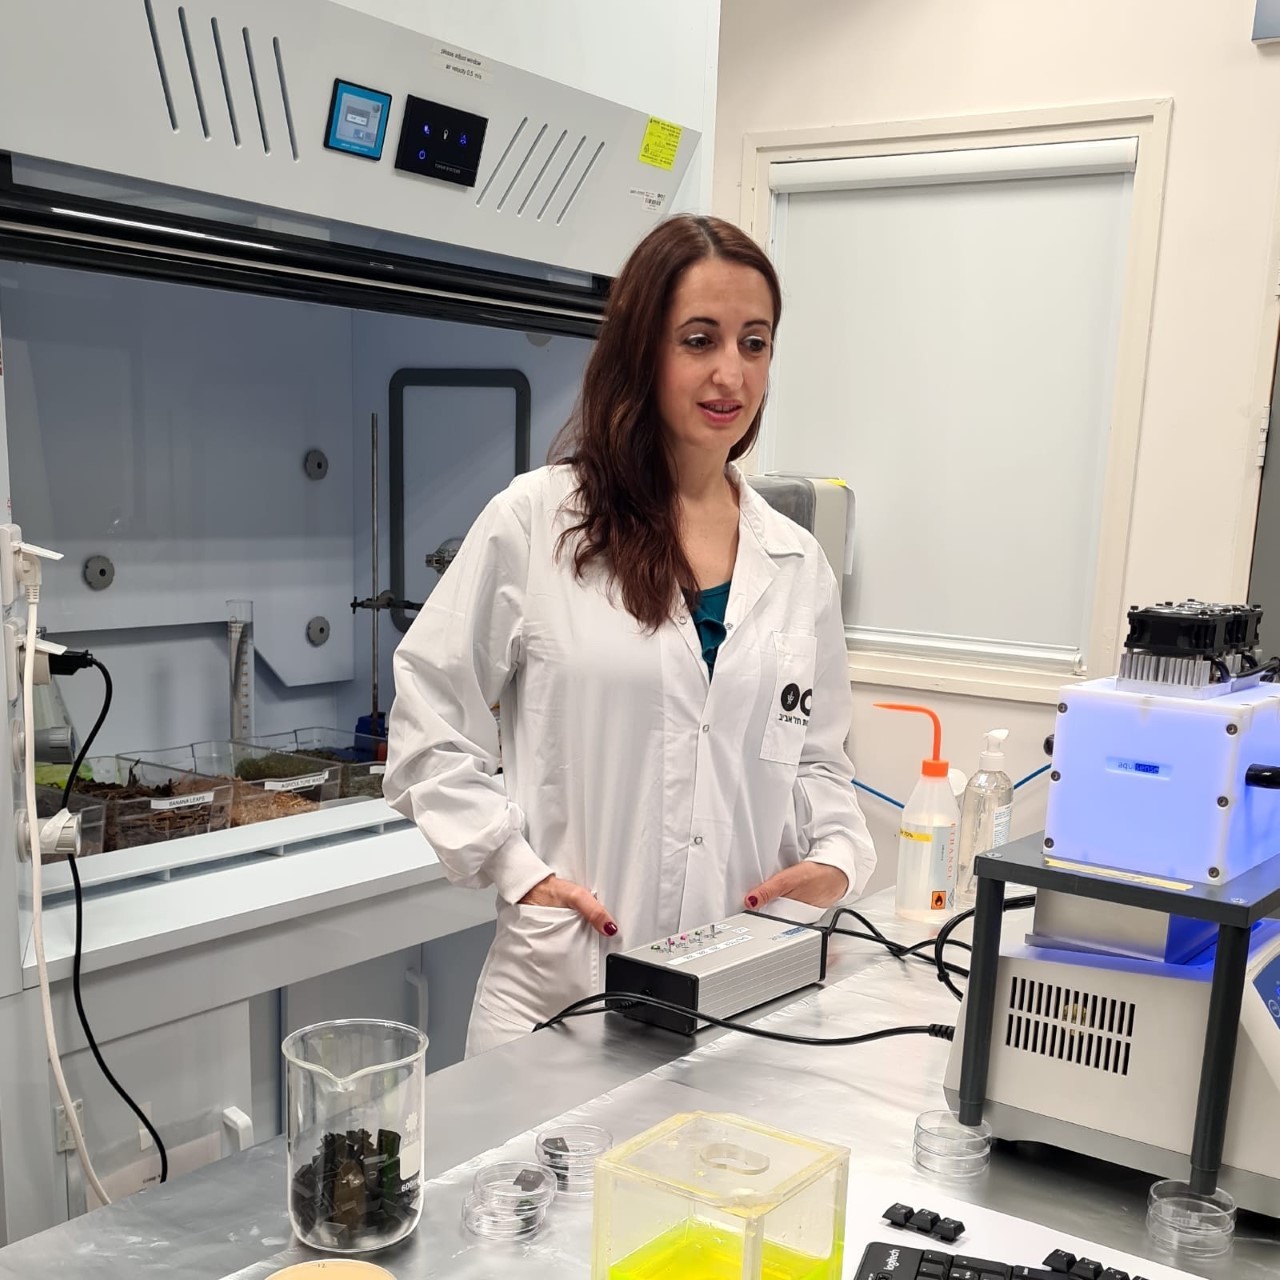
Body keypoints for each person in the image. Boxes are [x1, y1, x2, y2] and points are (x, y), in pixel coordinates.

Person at [383, 214, 876, 1056]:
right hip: (564, 991)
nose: (731, 373)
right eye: (699, 339)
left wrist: (835, 854)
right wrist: (518, 870)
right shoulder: (539, 522)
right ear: (642, 350)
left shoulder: (796, 566)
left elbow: (819, 760)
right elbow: (428, 725)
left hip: (736, 988)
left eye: (754, 344)